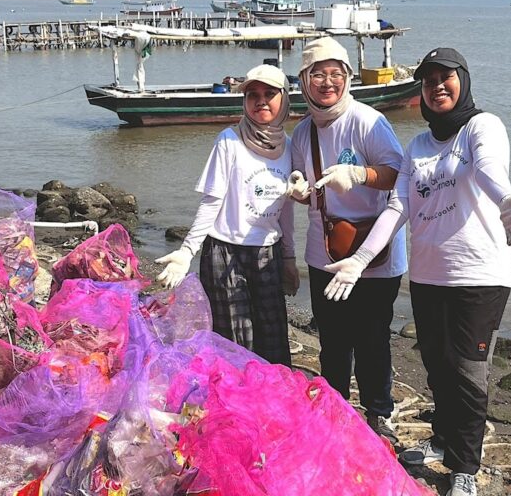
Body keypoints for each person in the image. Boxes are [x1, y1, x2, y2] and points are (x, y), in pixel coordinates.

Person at [389, 48, 511, 496]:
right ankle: (443, 439)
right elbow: (400, 205)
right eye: (428, 79)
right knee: (436, 365)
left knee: (468, 372)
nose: (436, 86)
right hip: (429, 274)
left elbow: (490, 169)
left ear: (463, 79)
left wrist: (506, 199)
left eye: (445, 76)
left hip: (480, 275)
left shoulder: (482, 126)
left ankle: (464, 468)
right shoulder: (417, 146)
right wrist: (360, 259)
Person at [286, 37, 408, 446]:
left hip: (375, 254)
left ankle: (378, 411)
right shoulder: (303, 132)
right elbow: (300, 181)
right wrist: (301, 189)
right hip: (325, 252)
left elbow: (397, 173)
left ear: (347, 78)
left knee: (374, 337)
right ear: (303, 80)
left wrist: (359, 175)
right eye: (317, 74)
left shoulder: (369, 120)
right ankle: (334, 404)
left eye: (336, 74)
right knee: (333, 339)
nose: (327, 82)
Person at [154, 64, 299, 366]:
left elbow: (286, 209)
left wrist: (288, 259)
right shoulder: (229, 140)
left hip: (267, 252)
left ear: (284, 98)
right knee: (234, 340)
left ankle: (269, 406)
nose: (261, 101)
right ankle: (236, 406)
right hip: (224, 251)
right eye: (252, 95)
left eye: (269, 94)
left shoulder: (290, 147)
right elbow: (212, 201)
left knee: (273, 341)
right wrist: (187, 251)